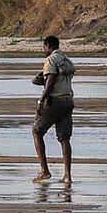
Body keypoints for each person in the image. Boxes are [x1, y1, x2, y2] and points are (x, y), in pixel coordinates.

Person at [32, 34, 75, 184]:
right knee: (64, 139)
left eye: (44, 47)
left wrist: (41, 100)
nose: (43, 50)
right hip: (68, 101)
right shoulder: (66, 59)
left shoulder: (50, 60)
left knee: (37, 131)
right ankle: (67, 175)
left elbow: (50, 80)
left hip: (54, 102)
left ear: (48, 46)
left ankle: (45, 171)